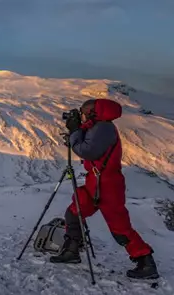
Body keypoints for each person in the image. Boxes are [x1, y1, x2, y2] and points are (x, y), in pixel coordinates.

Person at [50, 98, 159, 280]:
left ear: (95, 112)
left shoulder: (104, 128)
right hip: (96, 182)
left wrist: (76, 131)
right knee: (74, 212)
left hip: (108, 185)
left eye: (85, 110)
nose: (82, 113)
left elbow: (88, 151)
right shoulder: (97, 127)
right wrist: (75, 133)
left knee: (121, 229)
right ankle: (72, 250)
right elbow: (85, 144)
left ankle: (146, 262)